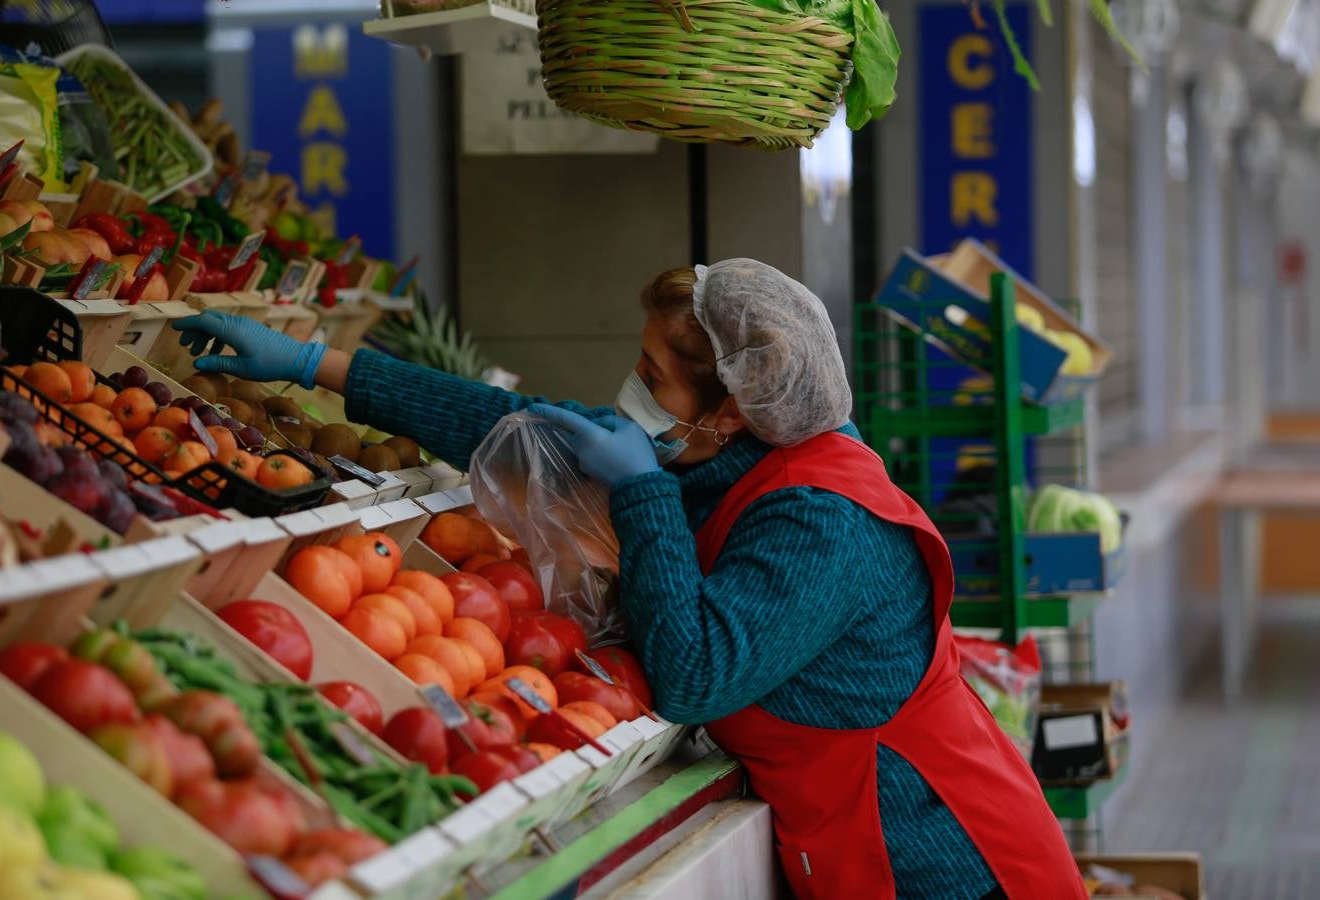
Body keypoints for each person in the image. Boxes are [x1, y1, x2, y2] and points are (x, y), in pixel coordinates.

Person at [173, 259, 1083, 899]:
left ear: (731, 410)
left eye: (652, 374)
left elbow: (695, 672)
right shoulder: (728, 456)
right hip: (851, 836)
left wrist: (643, 490)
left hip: (945, 863)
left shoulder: (824, 521)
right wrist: (315, 366)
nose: (631, 389)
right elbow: (521, 426)